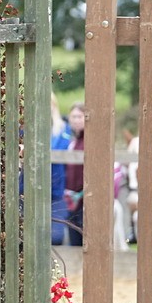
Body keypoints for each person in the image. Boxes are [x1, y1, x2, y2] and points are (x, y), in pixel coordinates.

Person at [48, 94, 73, 246]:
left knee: (56, 237)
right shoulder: (25, 128)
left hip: (56, 190)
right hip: (28, 189)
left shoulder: (63, 129)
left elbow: (59, 149)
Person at [63, 102, 86, 246]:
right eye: (73, 117)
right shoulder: (72, 142)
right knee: (74, 244)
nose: (76, 120)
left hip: (85, 201)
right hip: (71, 201)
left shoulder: (90, 141)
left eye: (79, 116)